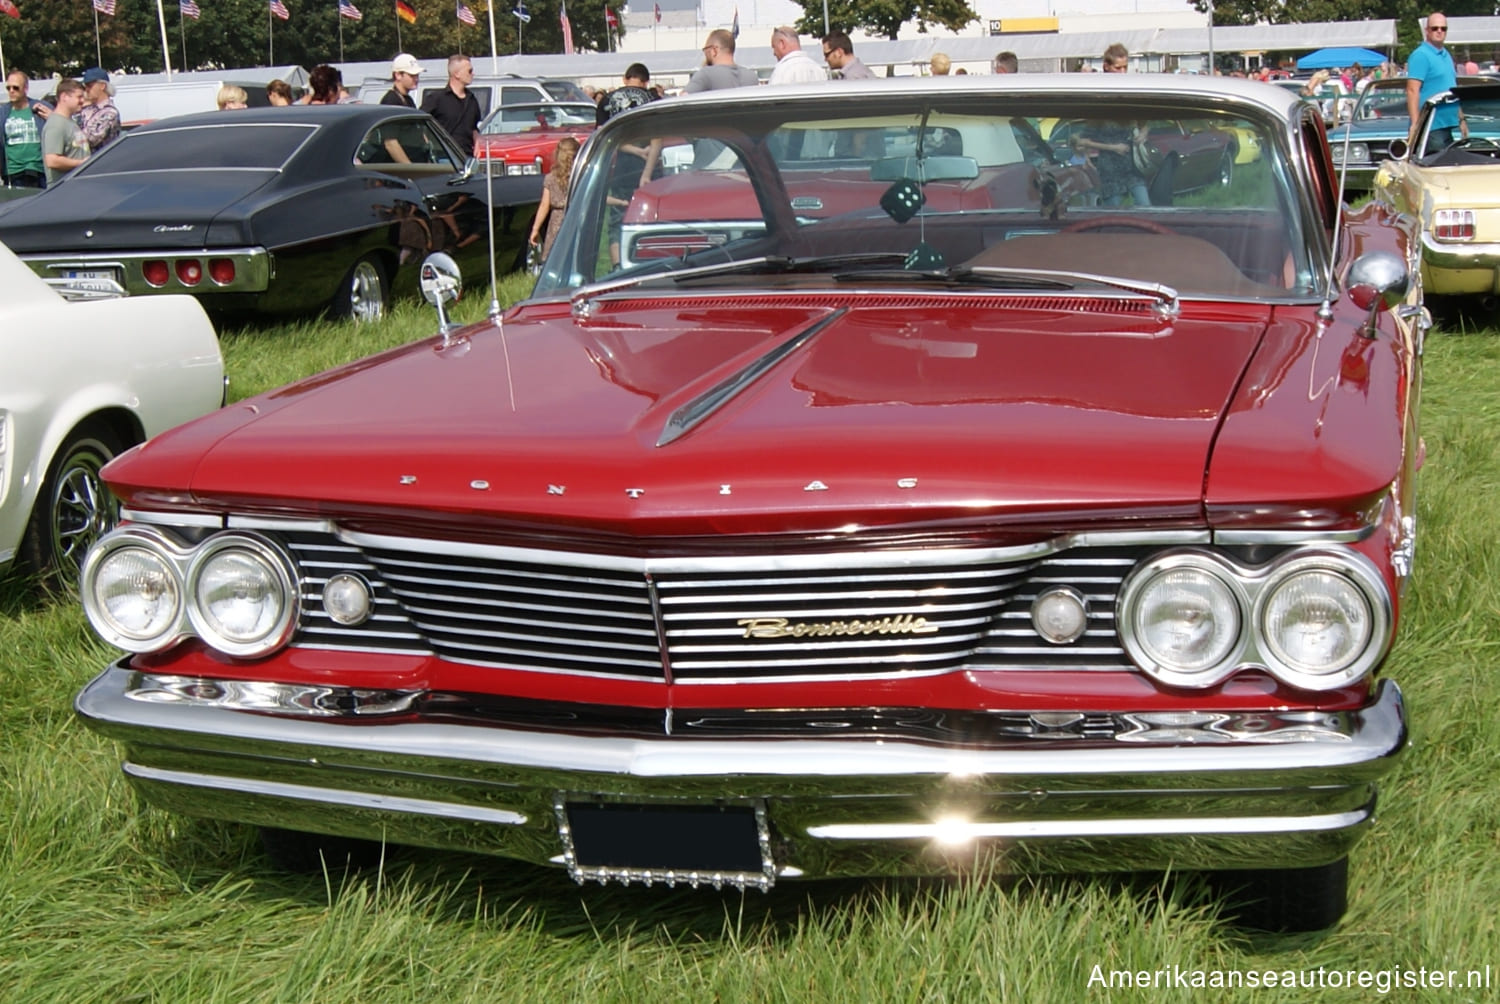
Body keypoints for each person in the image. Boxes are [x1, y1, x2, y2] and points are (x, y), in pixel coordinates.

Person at [596, 65, 660, 267]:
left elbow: (605, 139)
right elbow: (658, 138)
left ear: (625, 79)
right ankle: (650, 263)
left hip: (622, 168)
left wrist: (633, 150)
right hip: (652, 168)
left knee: (618, 220)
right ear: (645, 81)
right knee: (653, 218)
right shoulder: (653, 99)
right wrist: (647, 170)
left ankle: (617, 267)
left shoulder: (607, 101)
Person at [1074, 45, 1150, 207]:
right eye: (1118, 68)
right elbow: (1081, 141)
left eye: (1125, 67)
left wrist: (1143, 133)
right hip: (1109, 167)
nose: (1122, 72)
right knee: (1113, 210)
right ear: (1106, 67)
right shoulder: (1099, 98)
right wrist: (1111, 147)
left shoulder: (1130, 94)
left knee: (1145, 205)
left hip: (1132, 164)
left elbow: (1144, 123)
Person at [1407, 12, 1465, 153]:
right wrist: (1415, 124)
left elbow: (1451, 89)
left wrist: (1461, 119)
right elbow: (1412, 90)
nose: (1439, 31)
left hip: (1447, 124)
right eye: (1435, 28)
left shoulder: (1446, 55)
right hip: (1430, 127)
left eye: (1443, 28)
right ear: (1427, 31)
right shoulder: (1421, 55)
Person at [422, 55, 482, 157]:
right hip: (444, 157)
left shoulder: (471, 99)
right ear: (457, 74)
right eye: (469, 71)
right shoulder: (437, 98)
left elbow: (474, 128)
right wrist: (429, 143)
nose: (473, 74)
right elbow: (420, 123)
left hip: (467, 156)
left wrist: (477, 145)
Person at [529, 136, 579, 259]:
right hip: (577, 217)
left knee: (555, 256)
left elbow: (544, 205)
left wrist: (535, 228)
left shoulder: (551, 178)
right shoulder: (579, 176)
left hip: (557, 220)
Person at [3, 69, 49, 189]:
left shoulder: (41, 107)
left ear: (25, 88)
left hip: (40, 170)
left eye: (16, 87)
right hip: (14, 172)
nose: (11, 91)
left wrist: (52, 116)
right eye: (8, 88)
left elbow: (60, 126)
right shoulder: (3, 113)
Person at [42, 78, 88, 186]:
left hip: (74, 186)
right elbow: (52, 160)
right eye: (79, 97)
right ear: (64, 97)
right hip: (63, 189)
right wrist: (82, 163)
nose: (82, 101)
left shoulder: (69, 122)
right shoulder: (56, 125)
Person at [686, 29, 759, 92]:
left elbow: (684, 98)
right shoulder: (752, 77)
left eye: (706, 50)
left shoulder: (705, 74)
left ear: (714, 50)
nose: (705, 54)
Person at [78, 67, 121, 154]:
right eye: (85, 87)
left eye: (90, 86)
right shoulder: (86, 109)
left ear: (102, 86)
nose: (86, 90)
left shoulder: (110, 113)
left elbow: (90, 139)